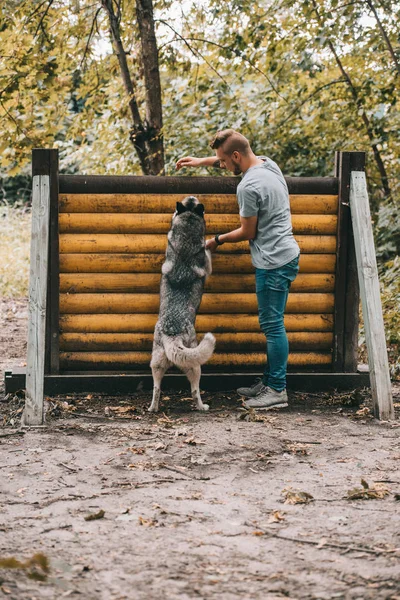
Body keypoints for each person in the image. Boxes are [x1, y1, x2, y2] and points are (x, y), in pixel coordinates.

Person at [176, 129, 300, 410]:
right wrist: (200, 161)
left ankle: (277, 390)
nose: (221, 165)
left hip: (273, 262)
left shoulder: (247, 186)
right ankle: (270, 381)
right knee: (273, 324)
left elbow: (248, 231)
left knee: (273, 326)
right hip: (286, 254)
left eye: (222, 161)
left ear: (235, 156)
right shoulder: (267, 164)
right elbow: (231, 153)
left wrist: (215, 241)